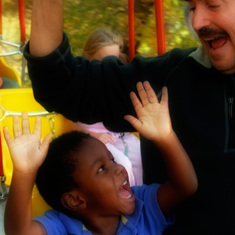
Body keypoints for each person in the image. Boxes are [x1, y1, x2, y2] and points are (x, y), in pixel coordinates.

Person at [23, 0, 235, 234]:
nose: (196, 22)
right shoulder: (164, 80)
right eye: (192, 7)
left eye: (213, 4)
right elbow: (58, 83)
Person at [3, 82, 197, 235]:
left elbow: (186, 186)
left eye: (112, 160)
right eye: (102, 169)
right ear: (76, 200)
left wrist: (166, 137)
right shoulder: (62, 226)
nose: (119, 167)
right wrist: (24, 172)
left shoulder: (143, 206)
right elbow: (19, 232)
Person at [64, 27, 142, 186]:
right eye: (102, 61)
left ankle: (141, 199)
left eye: (113, 61)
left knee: (143, 156)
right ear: (87, 58)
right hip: (92, 140)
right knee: (122, 165)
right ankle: (124, 202)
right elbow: (67, 123)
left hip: (119, 135)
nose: (108, 68)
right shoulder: (79, 87)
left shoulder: (116, 83)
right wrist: (93, 136)